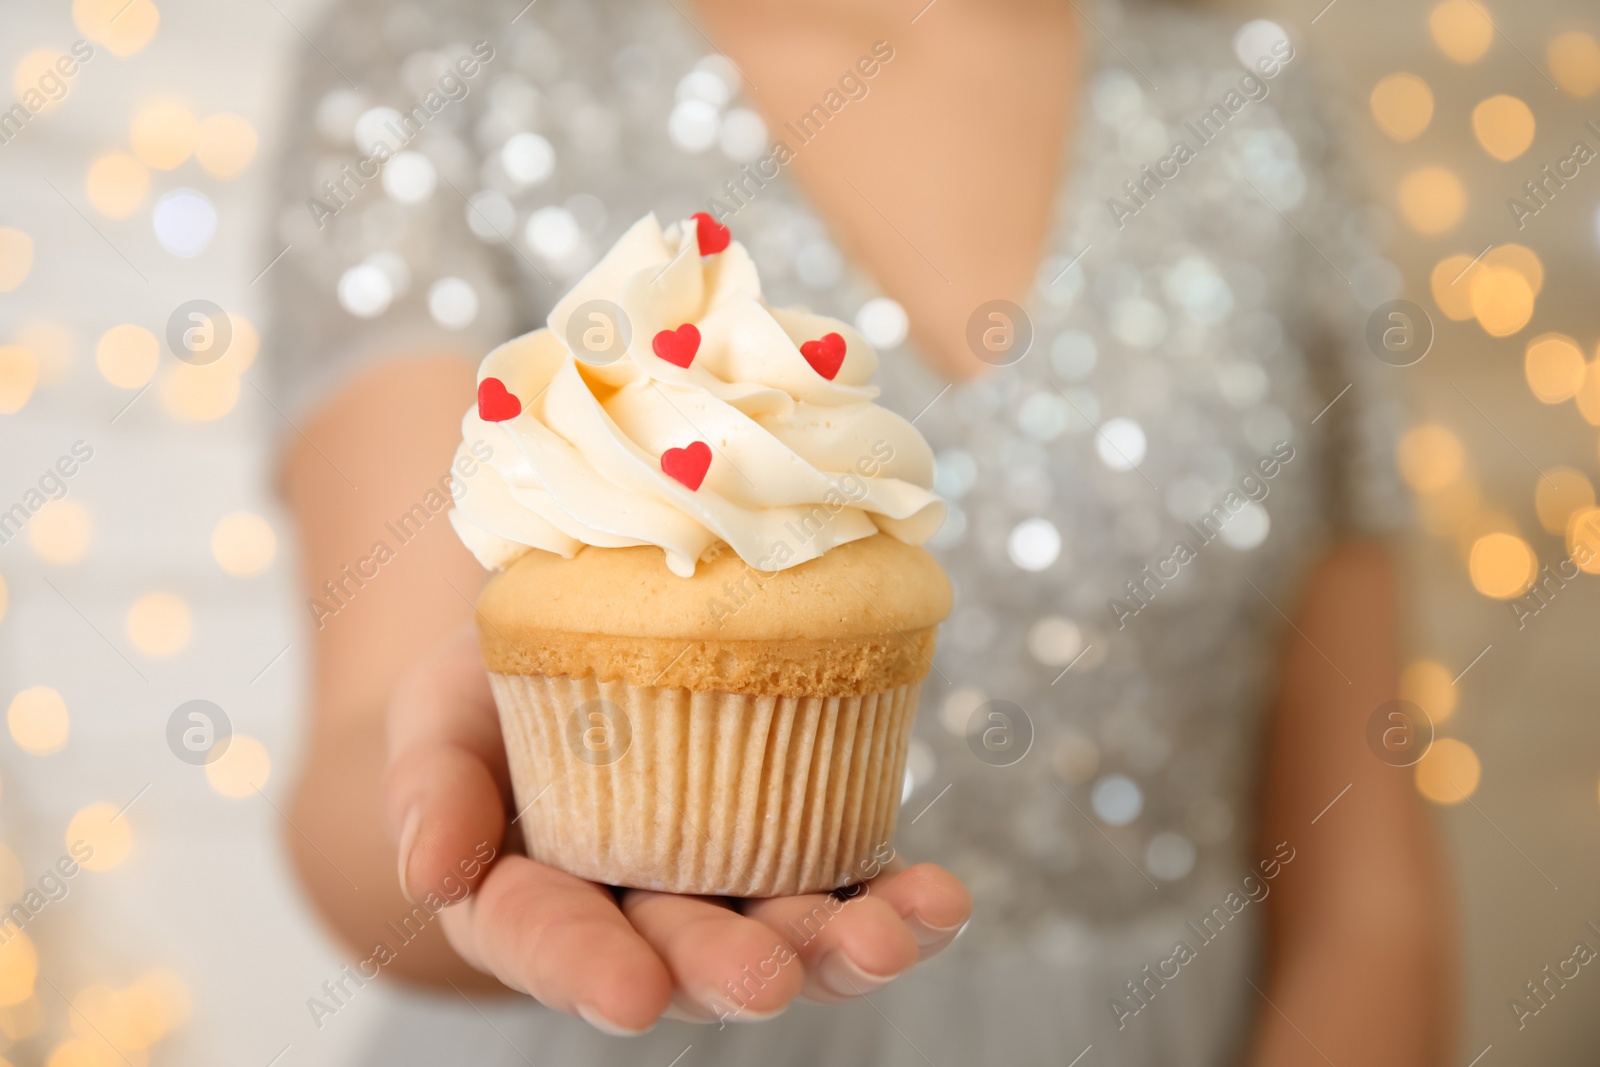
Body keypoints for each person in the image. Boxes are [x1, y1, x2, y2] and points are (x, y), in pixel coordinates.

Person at [270, 0, 1455, 1062]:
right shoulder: (444, 54)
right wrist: (462, 838)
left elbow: (1367, 896)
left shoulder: (1251, 102)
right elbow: (365, 735)